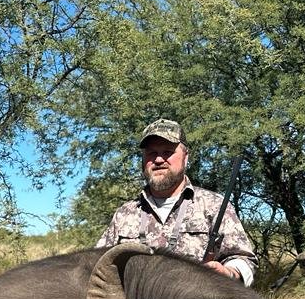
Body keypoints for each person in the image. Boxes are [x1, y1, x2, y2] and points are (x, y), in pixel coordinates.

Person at [96, 118, 259, 286]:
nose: (159, 160)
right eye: (152, 153)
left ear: (185, 157)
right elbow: (96, 266)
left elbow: (245, 260)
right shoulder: (124, 214)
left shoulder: (213, 206)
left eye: (167, 152)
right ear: (143, 160)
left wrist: (229, 272)